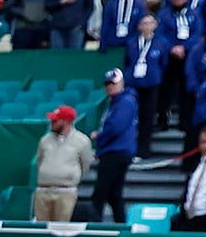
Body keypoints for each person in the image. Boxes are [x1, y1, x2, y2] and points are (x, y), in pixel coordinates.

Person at [89, 65, 139, 220]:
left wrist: (99, 138)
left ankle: (92, 225)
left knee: (101, 192)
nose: (109, 87)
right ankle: (121, 223)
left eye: (113, 83)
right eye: (107, 84)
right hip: (115, 151)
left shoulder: (125, 102)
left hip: (116, 152)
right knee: (114, 194)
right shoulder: (116, 102)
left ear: (122, 83)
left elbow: (115, 128)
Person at [30, 102, 91, 223]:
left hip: (66, 192)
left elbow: (85, 165)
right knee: (41, 227)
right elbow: (40, 160)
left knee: (61, 227)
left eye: (56, 120)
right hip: (43, 190)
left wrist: (70, 178)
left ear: (66, 121)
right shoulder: (45, 140)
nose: (52, 122)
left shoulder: (82, 141)